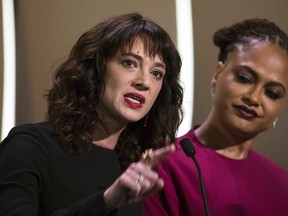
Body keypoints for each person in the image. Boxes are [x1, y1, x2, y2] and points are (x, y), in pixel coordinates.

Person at [0, 13, 183, 215]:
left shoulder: (138, 171)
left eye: (156, 73)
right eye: (129, 63)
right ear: (95, 68)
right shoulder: (29, 145)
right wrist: (105, 202)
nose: (144, 82)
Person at [143, 18, 288, 216]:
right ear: (218, 74)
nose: (254, 98)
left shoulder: (282, 184)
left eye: (272, 93)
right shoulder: (165, 164)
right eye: (244, 78)